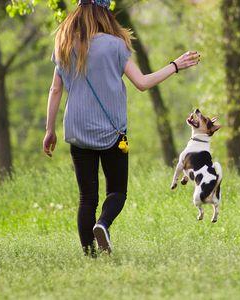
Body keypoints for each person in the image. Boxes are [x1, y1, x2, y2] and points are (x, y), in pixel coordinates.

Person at [43, 0, 200, 256]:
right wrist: (175, 66)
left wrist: (49, 130)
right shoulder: (115, 45)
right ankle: (102, 224)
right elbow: (142, 82)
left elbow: (55, 89)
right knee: (116, 191)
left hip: (77, 131)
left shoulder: (64, 43)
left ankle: (90, 256)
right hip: (112, 131)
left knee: (87, 198)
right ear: (105, 11)